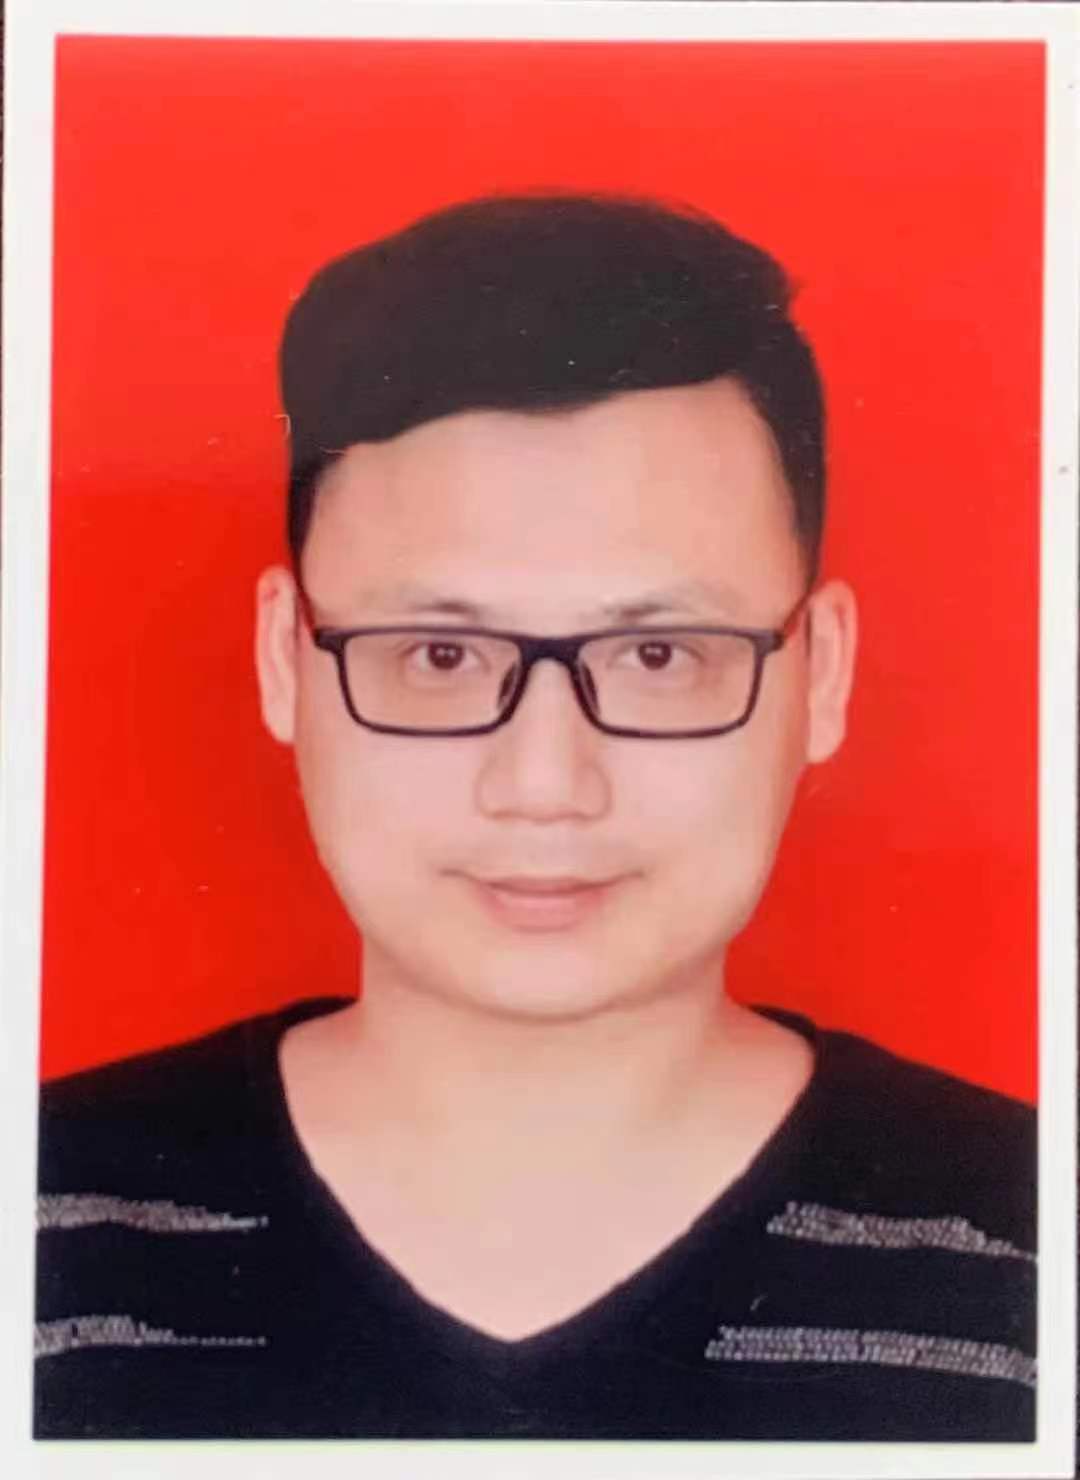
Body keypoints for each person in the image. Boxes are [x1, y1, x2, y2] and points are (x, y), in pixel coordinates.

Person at [34, 193, 1036, 1442]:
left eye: (661, 655)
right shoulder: (40, 1219)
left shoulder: (1032, 1241)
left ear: (822, 674)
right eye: (439, 654)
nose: (546, 782)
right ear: (284, 661)